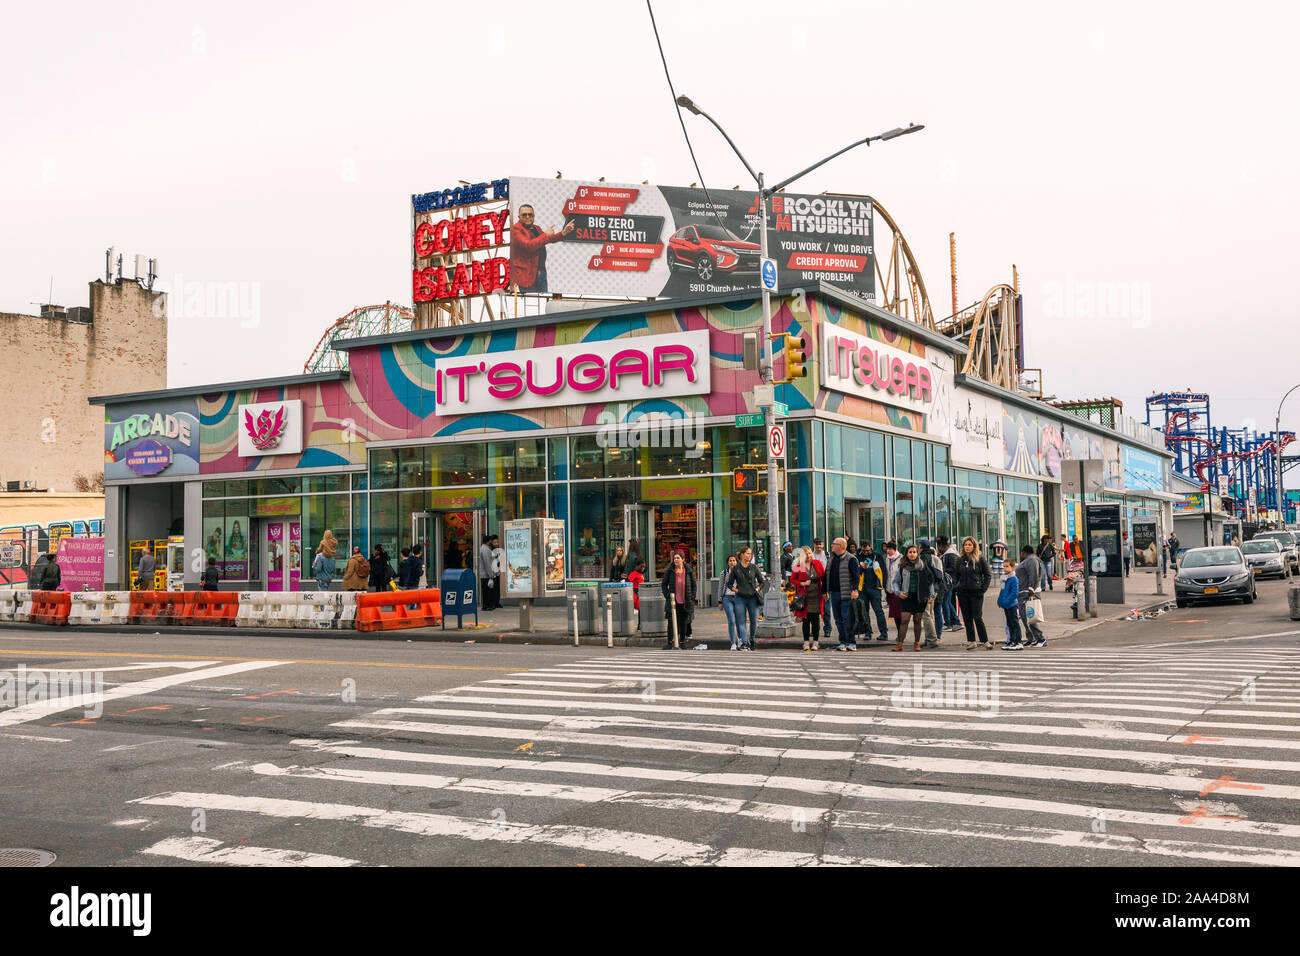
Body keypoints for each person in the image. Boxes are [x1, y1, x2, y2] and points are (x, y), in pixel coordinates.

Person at [510, 204, 574, 293]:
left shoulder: (537, 228)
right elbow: (529, 246)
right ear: (519, 217)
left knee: (543, 303)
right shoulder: (515, 230)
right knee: (531, 304)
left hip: (541, 273)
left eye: (530, 215)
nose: (528, 217)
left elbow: (548, 239)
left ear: (534, 216)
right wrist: (545, 235)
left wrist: (564, 232)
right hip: (526, 276)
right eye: (524, 215)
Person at [889, 543, 935, 652]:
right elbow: (895, 582)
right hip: (906, 597)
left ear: (917, 553)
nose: (912, 554)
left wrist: (931, 595)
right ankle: (900, 644)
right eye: (910, 552)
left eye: (914, 552)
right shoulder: (903, 567)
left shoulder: (923, 566)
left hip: (920, 597)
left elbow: (930, 582)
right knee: (904, 620)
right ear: (906, 554)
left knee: (917, 620)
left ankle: (917, 643)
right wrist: (897, 592)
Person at [723, 546, 765, 650]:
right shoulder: (736, 568)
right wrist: (737, 591)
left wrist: (757, 589)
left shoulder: (754, 567)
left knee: (754, 620)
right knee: (741, 621)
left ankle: (752, 639)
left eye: (750, 554)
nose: (749, 556)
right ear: (741, 555)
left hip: (752, 598)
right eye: (747, 553)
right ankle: (744, 642)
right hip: (740, 598)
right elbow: (729, 584)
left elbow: (763, 582)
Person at [955, 536, 993, 649]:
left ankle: (985, 641)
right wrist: (957, 586)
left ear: (974, 546)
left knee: (977, 616)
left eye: (969, 545)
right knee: (967, 618)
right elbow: (956, 575)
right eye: (965, 545)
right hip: (963, 592)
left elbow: (988, 575)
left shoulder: (980, 559)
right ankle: (972, 641)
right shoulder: (960, 559)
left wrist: (983, 589)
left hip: (976, 593)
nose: (967, 547)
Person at [826, 537, 862, 651]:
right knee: (838, 619)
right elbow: (827, 575)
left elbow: (856, 576)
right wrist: (825, 590)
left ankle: (851, 642)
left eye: (834, 543)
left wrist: (855, 590)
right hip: (834, 593)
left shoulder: (851, 559)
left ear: (841, 546)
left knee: (847, 619)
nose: (832, 545)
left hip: (847, 594)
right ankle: (843, 642)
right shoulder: (831, 558)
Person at [659, 550, 695, 649]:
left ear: (683, 559)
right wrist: (667, 596)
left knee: (683, 622)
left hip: (685, 601)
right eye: (675, 558)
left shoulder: (688, 570)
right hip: (673, 602)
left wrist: (692, 598)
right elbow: (663, 584)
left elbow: (693, 585)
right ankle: (670, 642)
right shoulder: (670, 570)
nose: (676, 560)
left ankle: (682, 642)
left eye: (678, 558)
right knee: (671, 623)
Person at [791, 546, 824, 652]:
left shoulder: (817, 563)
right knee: (806, 620)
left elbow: (823, 576)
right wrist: (802, 583)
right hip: (804, 597)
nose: (809, 556)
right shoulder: (798, 565)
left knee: (816, 620)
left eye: (810, 553)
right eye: (806, 554)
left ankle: (815, 642)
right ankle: (805, 642)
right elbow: (792, 580)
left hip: (816, 595)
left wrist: (825, 591)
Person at [856, 542, 890, 641]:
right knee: (864, 612)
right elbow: (855, 572)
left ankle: (884, 633)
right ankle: (868, 632)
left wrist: (882, 585)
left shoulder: (877, 556)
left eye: (867, 550)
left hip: (875, 588)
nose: (866, 552)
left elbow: (884, 571)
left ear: (871, 548)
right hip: (862, 588)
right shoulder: (858, 557)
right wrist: (862, 568)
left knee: (878, 611)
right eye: (864, 550)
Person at [1015, 545, 1046, 646]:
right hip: (1023, 592)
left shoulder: (1031, 560)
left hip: (1028, 593)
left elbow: (1034, 574)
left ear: (1023, 552)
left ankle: (1040, 639)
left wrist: (1031, 589)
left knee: (1029, 616)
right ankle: (1031, 638)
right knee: (1025, 617)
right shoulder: (1030, 559)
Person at [917, 539, 946, 648]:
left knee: (926, 615)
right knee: (931, 614)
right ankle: (929, 639)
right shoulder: (935, 558)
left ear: (921, 547)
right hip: (936, 588)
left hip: (928, 589)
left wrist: (930, 593)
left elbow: (926, 577)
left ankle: (932, 639)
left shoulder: (923, 558)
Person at [998, 559, 1024, 649]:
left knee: (1014, 623)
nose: (1005, 568)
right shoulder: (1004, 578)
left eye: (1007, 566)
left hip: (1012, 605)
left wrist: (1006, 601)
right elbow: (1002, 591)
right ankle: (1012, 641)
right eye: (1004, 566)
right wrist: (999, 601)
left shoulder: (1013, 579)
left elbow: (1014, 593)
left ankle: (1018, 642)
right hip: (1006, 605)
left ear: (1012, 567)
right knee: (1009, 624)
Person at [937, 536, 962, 631]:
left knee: (946, 602)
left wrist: (942, 570)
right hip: (949, 582)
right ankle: (953, 621)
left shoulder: (950, 555)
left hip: (950, 582)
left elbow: (953, 568)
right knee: (947, 602)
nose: (938, 549)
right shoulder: (948, 554)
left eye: (939, 546)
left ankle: (950, 622)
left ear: (942, 546)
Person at [881, 540, 903, 641]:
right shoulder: (886, 559)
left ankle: (901, 635)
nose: (888, 551)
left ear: (895, 550)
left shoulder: (901, 559)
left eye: (890, 549)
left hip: (897, 590)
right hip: (889, 589)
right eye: (887, 549)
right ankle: (900, 634)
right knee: (894, 614)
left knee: (898, 613)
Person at [718, 554, 740, 649]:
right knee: (731, 620)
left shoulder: (741, 572)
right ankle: (733, 643)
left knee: (739, 621)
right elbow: (720, 586)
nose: (732, 562)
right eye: (730, 561)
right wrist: (720, 601)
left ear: (737, 562)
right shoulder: (724, 573)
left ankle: (740, 640)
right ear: (728, 563)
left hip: (739, 598)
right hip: (727, 598)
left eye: (734, 560)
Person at [810, 538, 830, 636]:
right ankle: (814, 630)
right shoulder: (811, 555)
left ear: (823, 544)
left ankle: (827, 629)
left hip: (825, 584)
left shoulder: (827, 555)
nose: (818, 546)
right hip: (813, 586)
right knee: (813, 610)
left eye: (820, 544)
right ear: (813, 545)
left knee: (826, 609)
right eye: (816, 544)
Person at [480, 535, 500, 610]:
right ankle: (486, 606)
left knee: (486, 591)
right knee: (487, 591)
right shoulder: (486, 550)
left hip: (485, 574)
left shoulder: (484, 548)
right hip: (486, 575)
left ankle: (487, 605)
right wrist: (491, 574)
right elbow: (487, 563)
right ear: (488, 541)